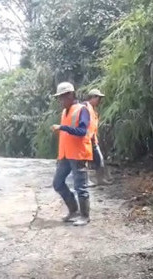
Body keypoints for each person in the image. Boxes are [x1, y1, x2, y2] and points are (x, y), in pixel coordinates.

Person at [51, 82, 94, 226]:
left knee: (80, 187)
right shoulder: (65, 111)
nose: (60, 101)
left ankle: (84, 216)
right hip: (65, 155)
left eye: (62, 97)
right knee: (58, 183)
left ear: (70, 95)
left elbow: (82, 131)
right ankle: (74, 211)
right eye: (59, 98)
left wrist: (63, 127)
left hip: (78, 154)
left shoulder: (82, 110)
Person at [83, 88, 112, 186]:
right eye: (98, 98)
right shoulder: (85, 107)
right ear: (93, 97)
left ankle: (100, 179)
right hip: (85, 139)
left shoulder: (93, 110)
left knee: (99, 159)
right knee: (84, 161)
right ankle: (86, 181)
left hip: (92, 139)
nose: (100, 101)